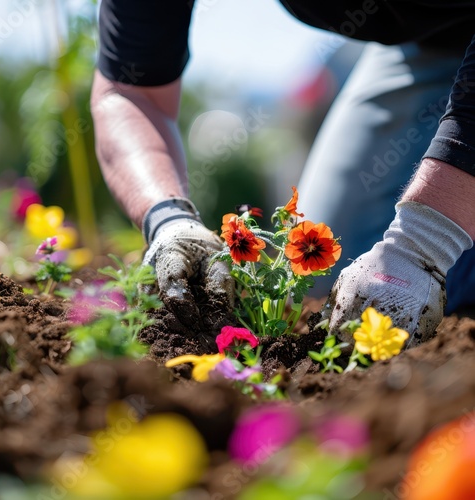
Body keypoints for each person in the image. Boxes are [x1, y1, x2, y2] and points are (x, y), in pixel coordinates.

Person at [90, 0, 475, 347]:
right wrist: (168, 219)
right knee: (333, 277)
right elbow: (127, 93)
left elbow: (423, 247)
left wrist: (425, 243)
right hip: (427, 43)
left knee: (427, 278)